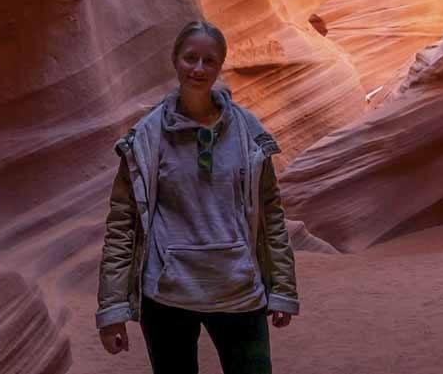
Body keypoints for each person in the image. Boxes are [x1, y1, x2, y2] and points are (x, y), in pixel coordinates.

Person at [95, 19, 298, 374]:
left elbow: (271, 215)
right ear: (175, 60)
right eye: (191, 58)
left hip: (238, 290)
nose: (198, 68)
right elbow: (122, 226)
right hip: (167, 295)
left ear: (220, 66)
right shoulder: (147, 137)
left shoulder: (249, 132)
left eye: (209, 61)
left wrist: (282, 288)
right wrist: (112, 310)